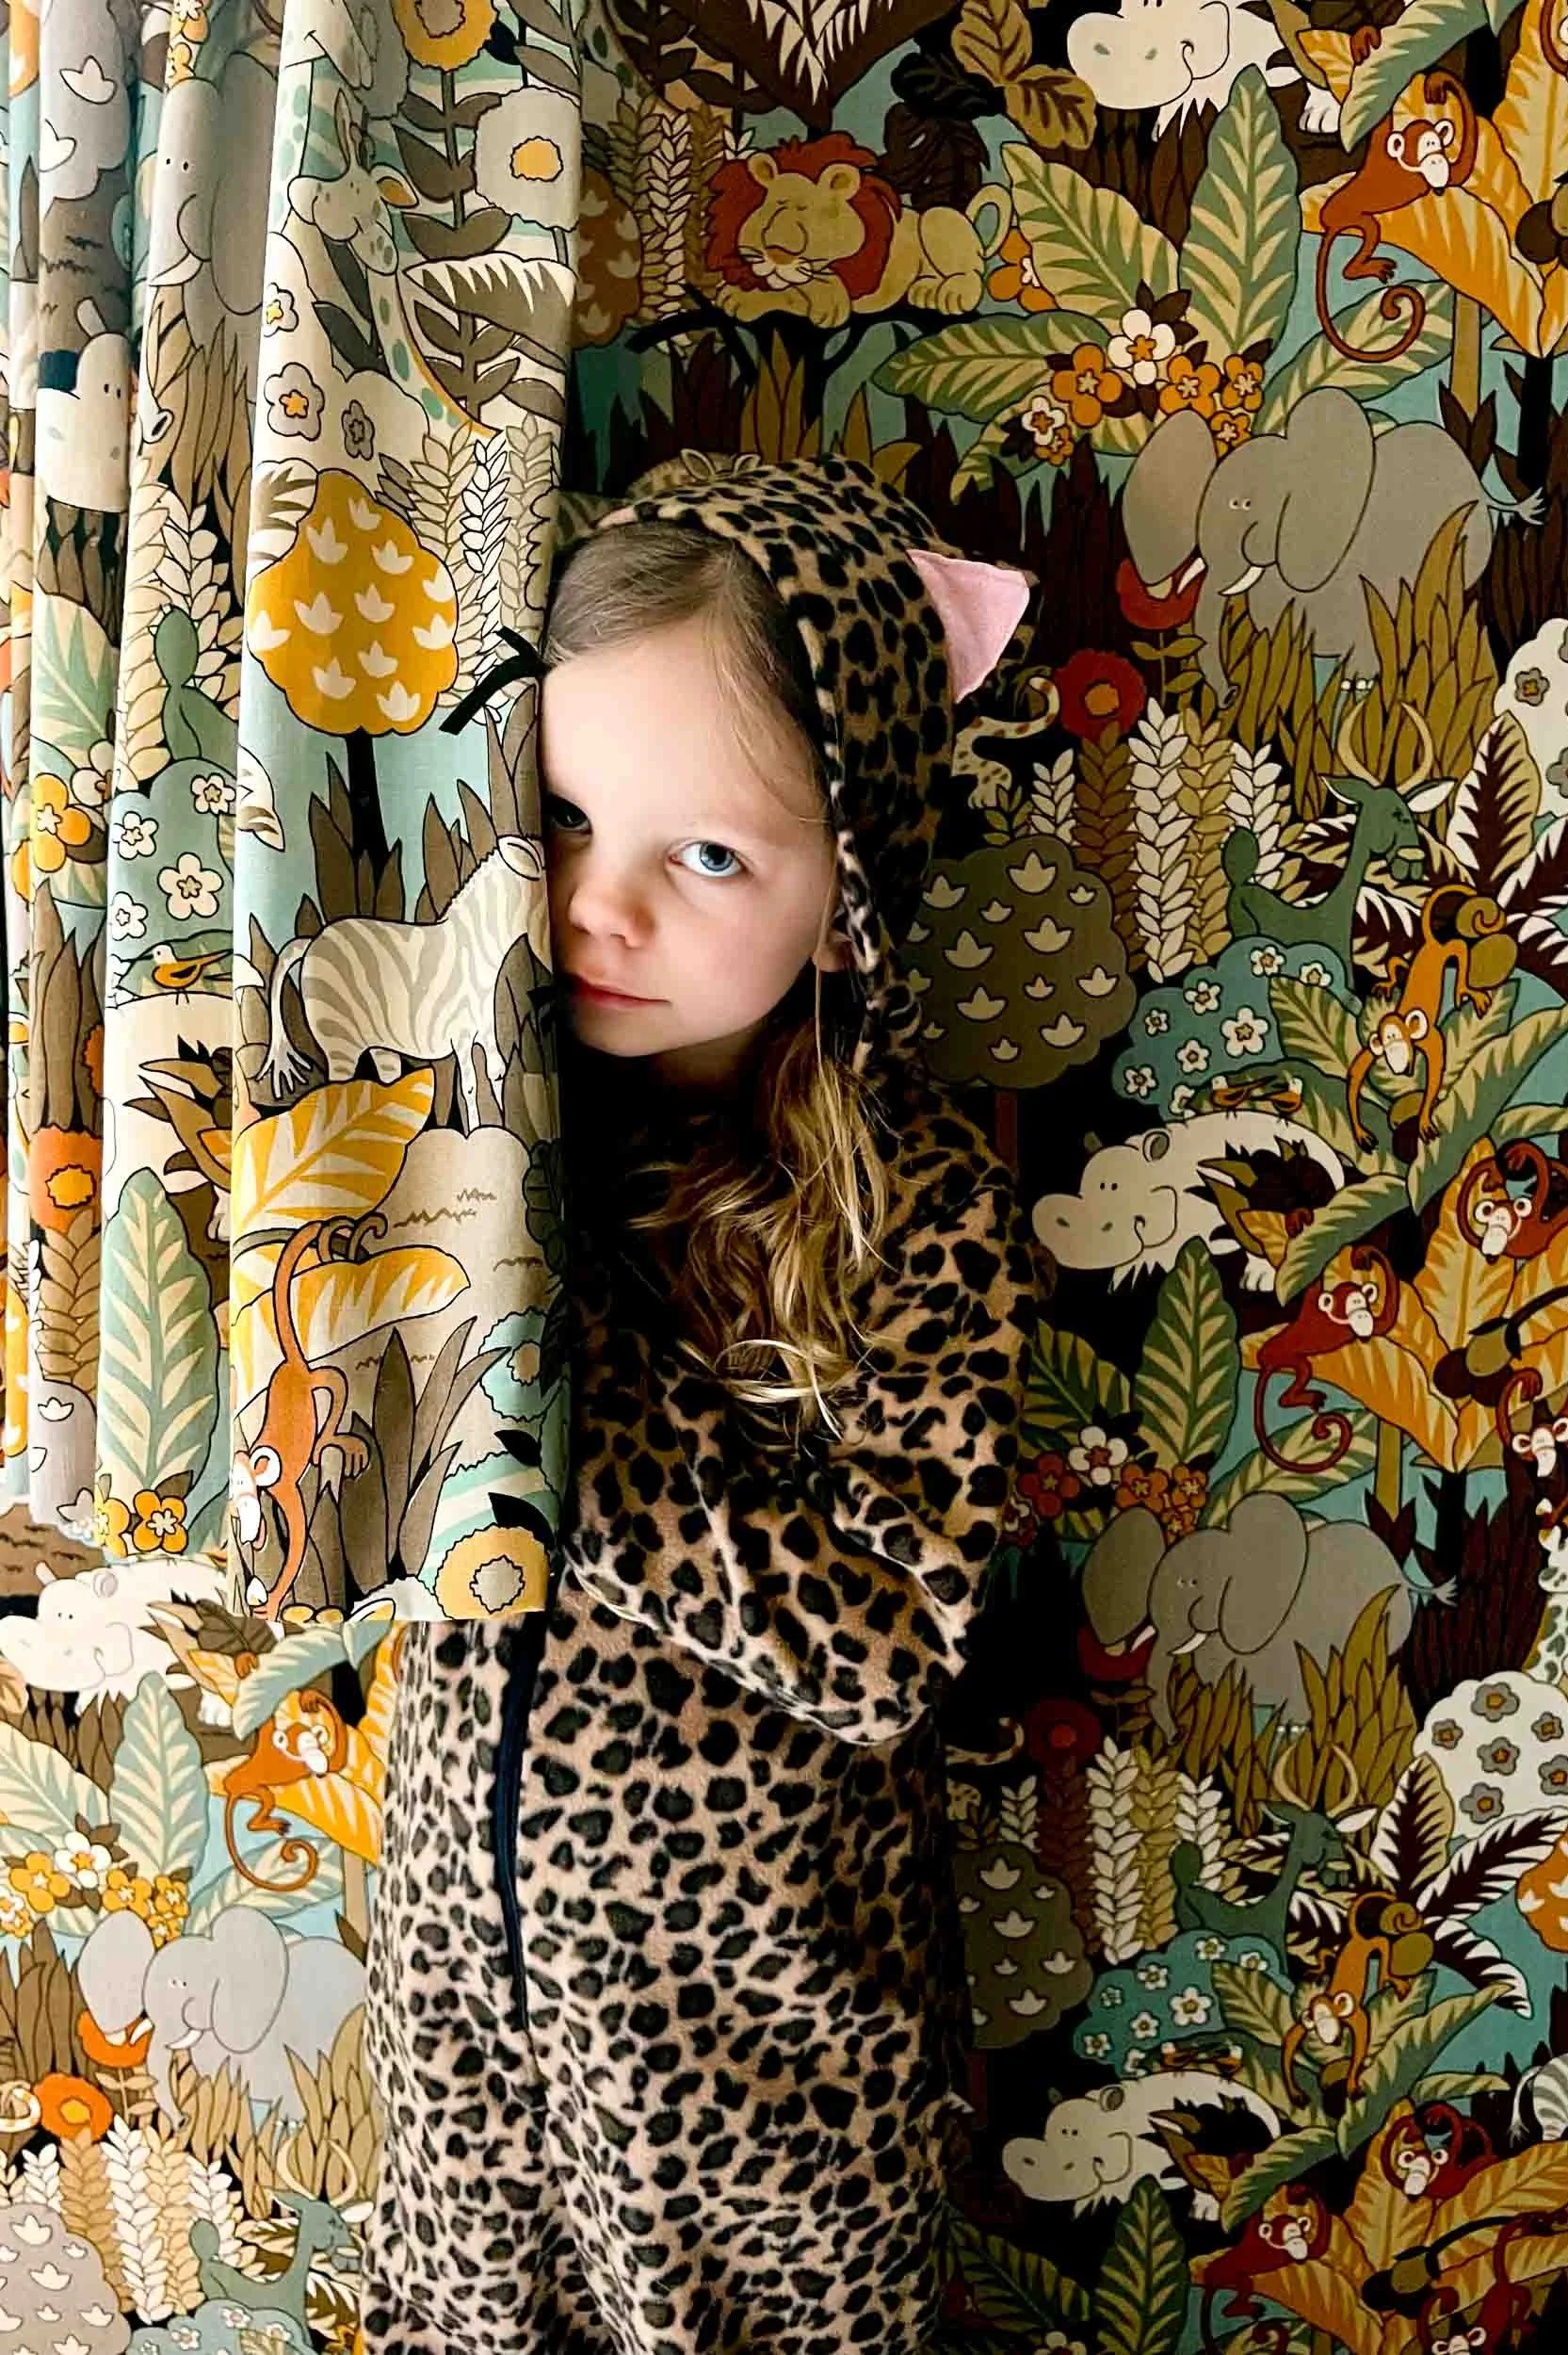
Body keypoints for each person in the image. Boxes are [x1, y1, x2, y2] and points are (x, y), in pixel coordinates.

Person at [360, 457, 1052, 2355]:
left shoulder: (910, 1204)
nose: (599, 905)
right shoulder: (482, 1126)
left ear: (848, 901)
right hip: (461, 2000)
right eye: (570, 816)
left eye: (712, 856)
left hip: (756, 2078)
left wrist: (549, 1378)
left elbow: (881, 1644)